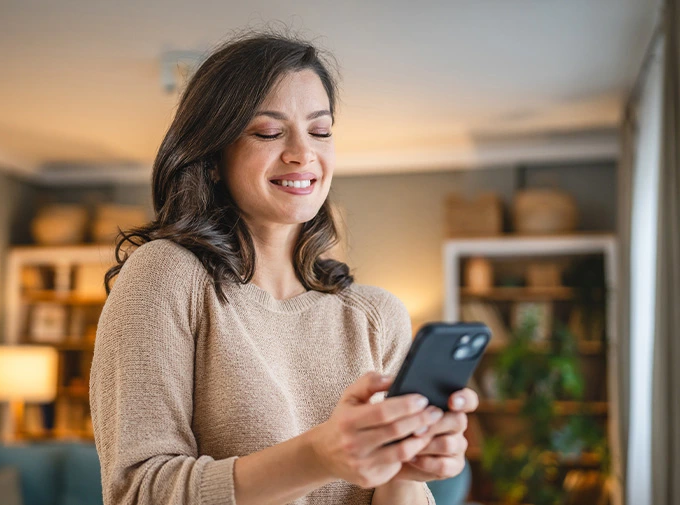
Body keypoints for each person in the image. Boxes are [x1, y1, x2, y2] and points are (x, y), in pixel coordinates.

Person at [89, 32, 478, 505]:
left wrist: (403, 468)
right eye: (268, 132)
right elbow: (137, 492)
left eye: (320, 130)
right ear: (213, 157)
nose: (302, 153)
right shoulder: (167, 276)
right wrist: (319, 455)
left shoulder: (377, 316)